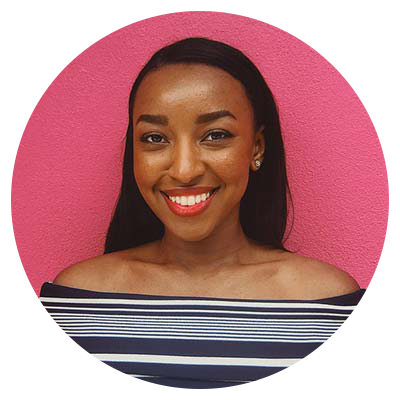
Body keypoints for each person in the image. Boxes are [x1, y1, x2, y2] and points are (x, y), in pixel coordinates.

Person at [33, 37, 379, 390]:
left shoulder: (327, 305)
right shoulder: (79, 299)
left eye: (215, 135)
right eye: (155, 138)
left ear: (257, 148)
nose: (184, 170)